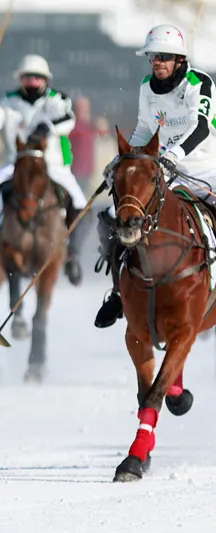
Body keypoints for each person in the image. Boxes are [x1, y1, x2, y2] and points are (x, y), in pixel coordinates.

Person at [93, 23, 216, 328]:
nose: (157, 62)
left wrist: (173, 155)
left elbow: (200, 127)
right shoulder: (146, 87)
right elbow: (144, 129)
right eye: (153, 56)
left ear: (179, 59)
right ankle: (119, 293)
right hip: (163, 172)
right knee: (112, 218)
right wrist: (123, 161)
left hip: (205, 170)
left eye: (163, 56)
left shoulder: (199, 83)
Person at [0, 54, 87, 285]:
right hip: (17, 164)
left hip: (53, 165)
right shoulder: (8, 102)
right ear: (20, 79)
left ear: (45, 80)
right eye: (27, 77)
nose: (32, 82)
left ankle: (73, 257)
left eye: (37, 78)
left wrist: (46, 126)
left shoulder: (56, 99)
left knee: (80, 204)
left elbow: (68, 119)